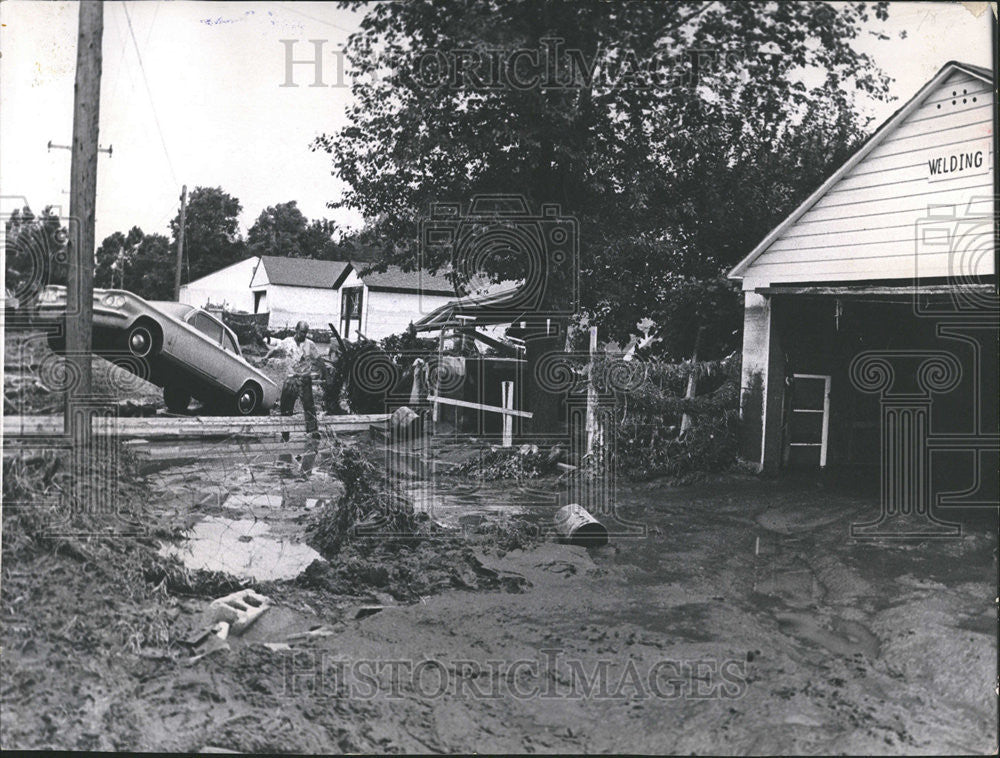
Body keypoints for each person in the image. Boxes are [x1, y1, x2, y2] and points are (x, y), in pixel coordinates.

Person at [263, 321, 322, 441]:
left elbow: (319, 359)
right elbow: (275, 350)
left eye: (305, 333)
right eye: (301, 332)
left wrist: (323, 372)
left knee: (309, 407)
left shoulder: (309, 344)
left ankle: (313, 433)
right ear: (296, 330)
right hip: (290, 380)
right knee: (285, 408)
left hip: (305, 380)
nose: (303, 335)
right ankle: (285, 434)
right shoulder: (287, 342)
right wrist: (266, 357)